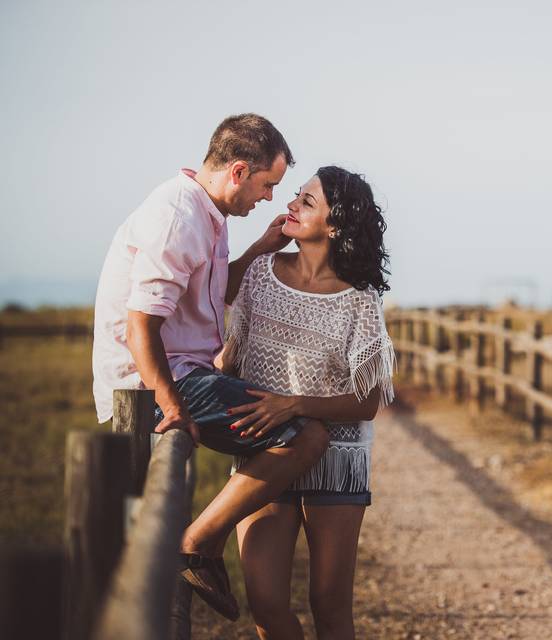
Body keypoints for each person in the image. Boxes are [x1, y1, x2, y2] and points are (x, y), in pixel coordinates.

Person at [92, 114, 341, 620]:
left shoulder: (208, 214)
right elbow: (140, 324)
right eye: (268, 184)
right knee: (305, 437)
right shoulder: (177, 216)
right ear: (239, 171)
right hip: (156, 381)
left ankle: (201, 543)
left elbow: (212, 295)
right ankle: (198, 545)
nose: (270, 197)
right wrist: (170, 404)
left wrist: (257, 250)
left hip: (186, 371)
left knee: (293, 429)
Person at [221, 166, 393, 640]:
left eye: (307, 202)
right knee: (265, 602)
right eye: (296, 196)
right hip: (265, 451)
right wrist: (258, 246)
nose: (291, 205)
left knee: (329, 604)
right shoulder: (261, 273)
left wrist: (295, 404)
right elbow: (223, 336)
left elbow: (367, 401)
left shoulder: (359, 299)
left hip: (336, 461)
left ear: (334, 226)